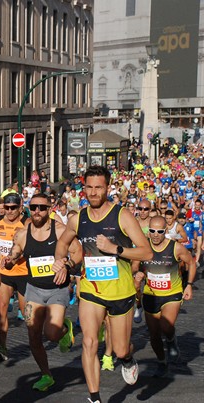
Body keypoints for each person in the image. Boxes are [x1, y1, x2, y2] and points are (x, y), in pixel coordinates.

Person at [55, 166, 153, 403]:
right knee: (89, 342)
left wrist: (116, 249)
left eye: (98, 187)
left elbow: (147, 253)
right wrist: (61, 262)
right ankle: (94, 398)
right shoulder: (79, 219)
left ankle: (127, 359)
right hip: (91, 289)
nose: (93, 192)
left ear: (107, 188)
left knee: (120, 349)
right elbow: (63, 243)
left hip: (121, 291)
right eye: (89, 187)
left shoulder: (123, 216)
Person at [5, 193, 83, 391]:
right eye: (33, 208)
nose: (37, 211)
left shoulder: (60, 231)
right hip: (34, 289)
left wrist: (67, 265)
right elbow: (16, 250)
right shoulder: (23, 233)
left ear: (50, 209)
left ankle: (64, 328)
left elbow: (78, 252)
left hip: (57, 289)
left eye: (41, 207)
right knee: (33, 335)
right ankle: (46, 374)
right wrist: (11, 259)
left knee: (52, 334)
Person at [133, 215, 196, 377]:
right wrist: (137, 273)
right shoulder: (143, 247)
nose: (155, 234)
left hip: (172, 294)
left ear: (165, 231)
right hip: (150, 294)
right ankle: (161, 361)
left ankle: (171, 339)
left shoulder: (175, 248)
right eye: (152, 231)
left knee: (166, 327)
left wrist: (188, 285)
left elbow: (191, 262)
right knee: (153, 334)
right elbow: (134, 266)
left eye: (159, 231)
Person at [0, 193, 28, 362]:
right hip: (4, 273)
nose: (9, 211)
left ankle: (37, 343)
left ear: (20, 208)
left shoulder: (26, 223)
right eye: (6, 208)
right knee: (2, 309)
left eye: (13, 208)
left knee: (28, 315)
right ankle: (2, 347)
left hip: (24, 273)